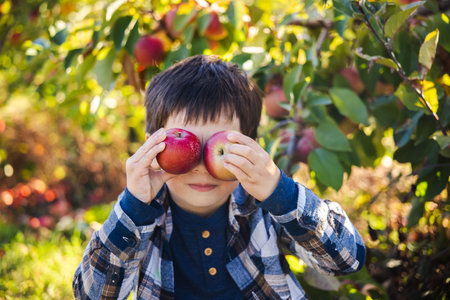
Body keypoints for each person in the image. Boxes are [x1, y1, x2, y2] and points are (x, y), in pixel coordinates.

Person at [73, 55, 366, 300]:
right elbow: (93, 295)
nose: (201, 165)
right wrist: (133, 207)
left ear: (250, 146)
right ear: (152, 147)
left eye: (220, 145)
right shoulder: (141, 220)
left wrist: (280, 191)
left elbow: (346, 258)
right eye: (186, 146)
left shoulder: (265, 207)